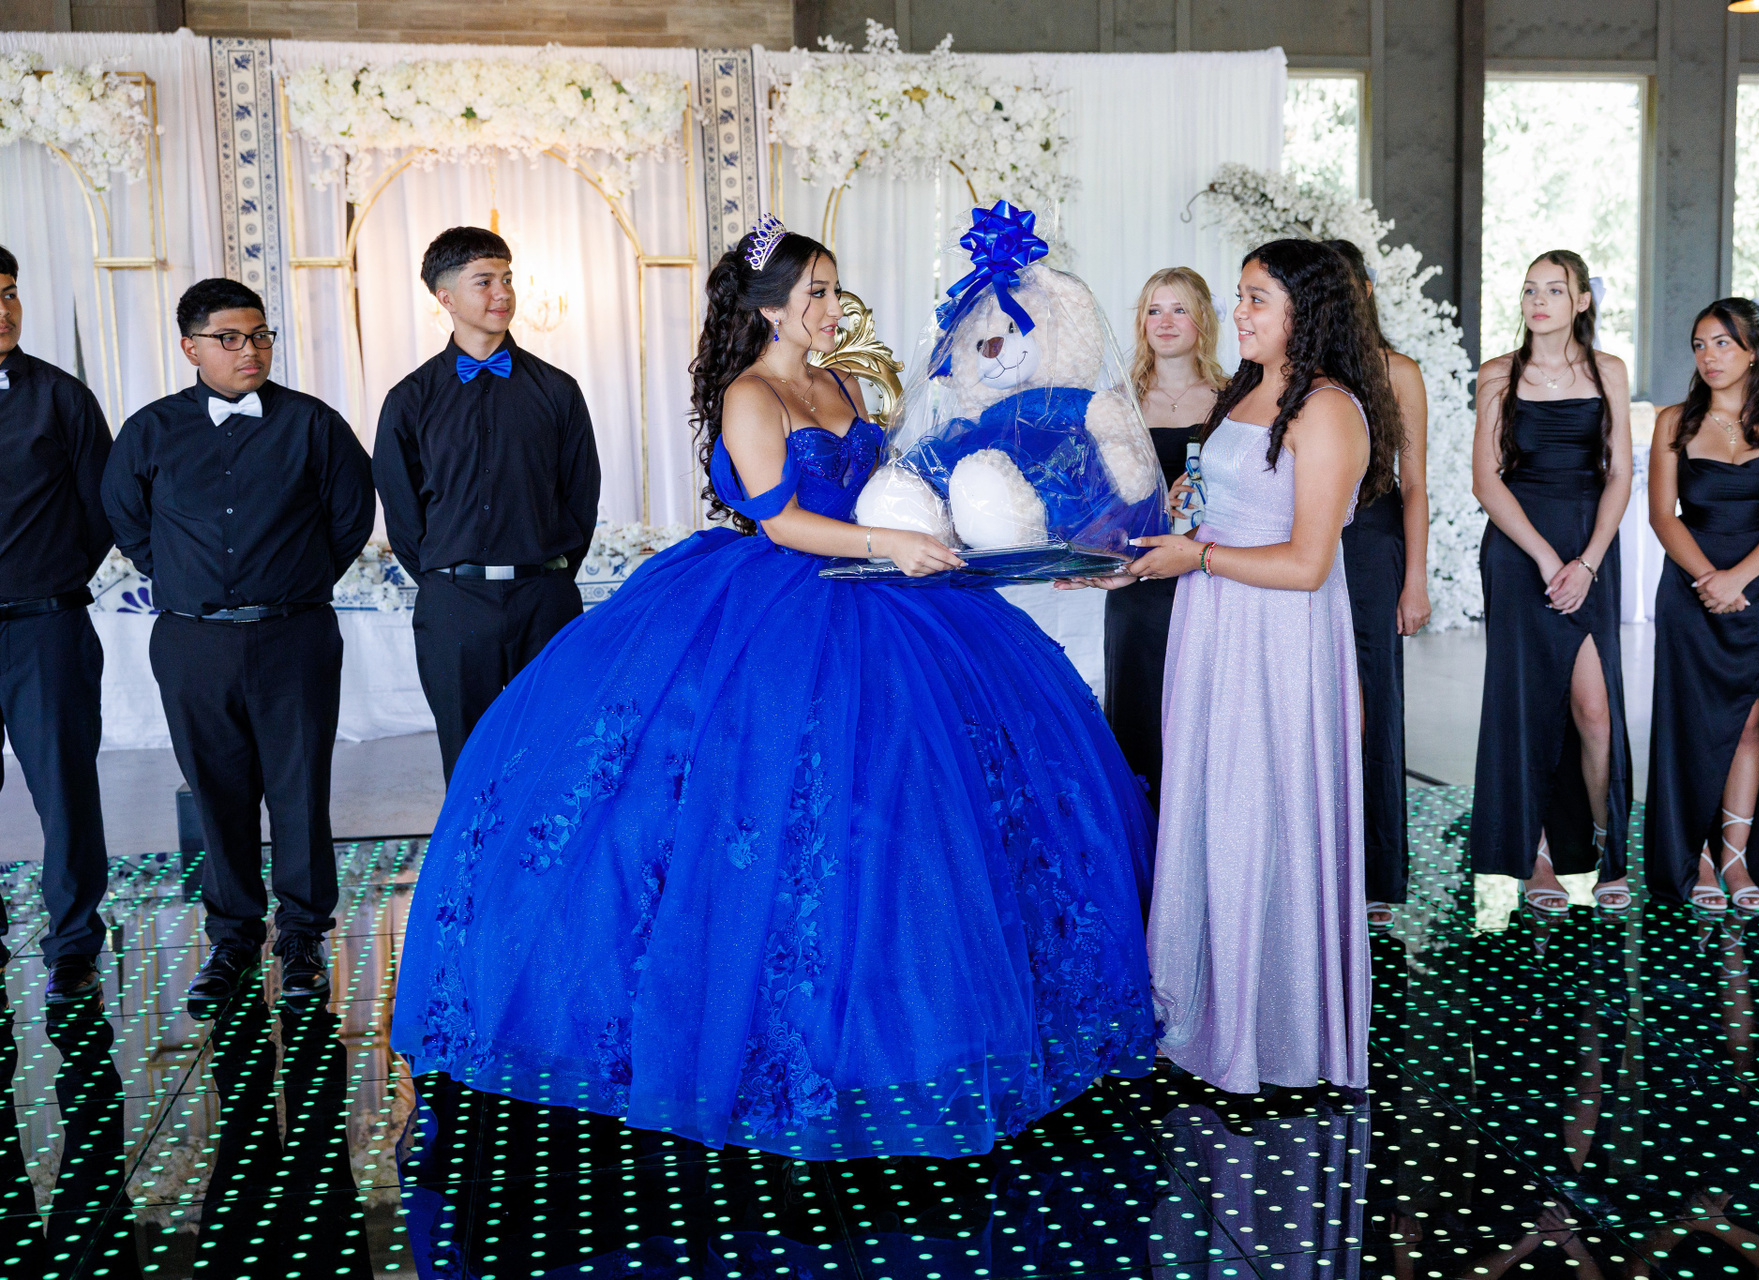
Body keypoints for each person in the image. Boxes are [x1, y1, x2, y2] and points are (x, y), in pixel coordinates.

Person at [389, 219, 1156, 1159]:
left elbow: (892, 487)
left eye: (834, 289)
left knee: (909, 812)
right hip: (782, 606)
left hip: (886, 600)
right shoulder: (750, 394)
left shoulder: (843, 383)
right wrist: (887, 542)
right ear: (769, 307)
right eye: (817, 293)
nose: (834, 307)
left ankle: (920, 1019)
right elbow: (784, 522)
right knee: (756, 814)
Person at [1113, 238, 1399, 1094]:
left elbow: (1309, 563)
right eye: (1238, 296)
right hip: (1214, 623)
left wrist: (1197, 557)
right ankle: (1199, 1008)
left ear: (1305, 311)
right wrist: (1140, 552)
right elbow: (1209, 505)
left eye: (1256, 299)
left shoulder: (1329, 408)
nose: (1237, 313)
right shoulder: (1243, 390)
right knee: (1209, 805)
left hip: (1277, 637)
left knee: (1260, 813)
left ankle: (1273, 1028)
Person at [103, 278, 375, 1005]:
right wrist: (185, 579)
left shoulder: (314, 424)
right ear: (190, 347)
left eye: (259, 335)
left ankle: (303, 938)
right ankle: (231, 939)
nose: (249, 350)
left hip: (294, 635)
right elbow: (125, 519)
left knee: (299, 790)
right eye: (229, 338)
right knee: (216, 792)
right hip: (193, 642)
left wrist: (294, 579)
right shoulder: (150, 431)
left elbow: (351, 516)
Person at [373, 227, 602, 781]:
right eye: (484, 281)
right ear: (445, 297)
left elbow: (581, 496)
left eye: (507, 278)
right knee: (467, 763)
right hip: (453, 604)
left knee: (549, 762)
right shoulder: (409, 399)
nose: (502, 293)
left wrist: (548, 574)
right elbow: (402, 513)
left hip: (544, 599)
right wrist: (447, 579)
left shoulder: (558, 390)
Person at [1468, 250, 1633, 916]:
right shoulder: (1498, 374)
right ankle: (1534, 856)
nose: (1539, 301)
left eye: (1555, 290)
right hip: (1519, 553)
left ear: (1583, 301)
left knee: (1594, 709)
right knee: (1525, 707)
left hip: (1591, 545)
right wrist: (1543, 558)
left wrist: (1587, 561)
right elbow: (1486, 481)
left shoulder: (1608, 371)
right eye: (1530, 289)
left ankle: (1605, 849)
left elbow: (1620, 474)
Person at [1645, 298, 1759, 912]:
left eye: (1722, 343)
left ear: (1752, 351)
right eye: (1700, 345)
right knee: (1692, 722)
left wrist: (1738, 578)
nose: (1709, 356)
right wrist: (1709, 579)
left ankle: (1735, 858)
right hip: (1691, 586)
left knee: (1749, 721)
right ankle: (1693, 857)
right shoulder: (1673, 422)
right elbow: (1662, 515)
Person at [0, 244, 116, 1004]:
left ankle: (72, 946)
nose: (3, 311)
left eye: (9, 292)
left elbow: (103, 508)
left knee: (64, 791)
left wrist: (50, 574)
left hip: (45, 627)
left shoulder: (61, 396)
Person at [1326, 238, 1430, 930]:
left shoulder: (1397, 371)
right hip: (1303, 533)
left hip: (1372, 540)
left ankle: (1376, 872)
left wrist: (1415, 578)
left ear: (1365, 289)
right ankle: (1317, 863)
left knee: (1372, 698)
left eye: (1345, 284)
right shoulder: (1296, 368)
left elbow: (1414, 482)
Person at [1102, 267, 1226, 810]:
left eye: (1179, 309)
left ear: (1203, 320)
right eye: (1155, 310)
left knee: (1207, 712)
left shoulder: (1234, 398)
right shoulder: (1118, 401)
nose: (1166, 321)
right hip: (1139, 581)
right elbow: (1096, 497)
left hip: (1211, 573)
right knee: (1139, 710)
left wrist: (1206, 497)